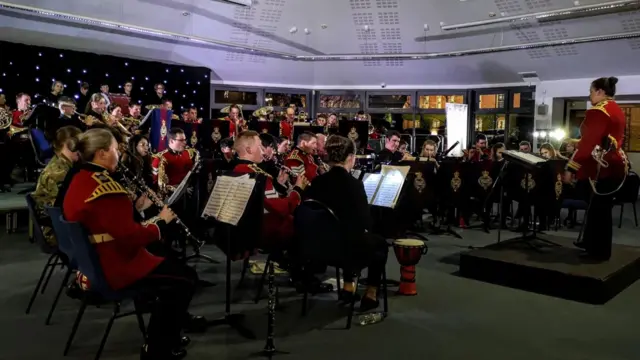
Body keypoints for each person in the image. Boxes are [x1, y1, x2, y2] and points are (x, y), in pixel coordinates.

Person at [60, 128, 197, 359]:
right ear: (102, 153)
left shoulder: (79, 178)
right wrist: (160, 224)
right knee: (184, 279)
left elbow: (113, 228)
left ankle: (167, 333)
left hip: (93, 261)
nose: (118, 154)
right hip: (115, 266)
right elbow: (130, 239)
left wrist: (142, 214)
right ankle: (157, 348)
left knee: (171, 268)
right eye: (115, 149)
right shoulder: (106, 188)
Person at [305, 135, 389, 311]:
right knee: (379, 244)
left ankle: (348, 287)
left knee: (346, 232)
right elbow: (364, 223)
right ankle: (371, 293)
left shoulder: (317, 182)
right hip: (344, 251)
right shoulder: (354, 185)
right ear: (350, 157)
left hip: (316, 248)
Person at [564, 76, 627, 261]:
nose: (590, 95)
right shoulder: (615, 109)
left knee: (599, 211)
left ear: (600, 91)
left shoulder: (597, 112)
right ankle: (591, 243)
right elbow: (602, 140)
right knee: (598, 209)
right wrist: (577, 142)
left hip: (600, 168)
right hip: (614, 164)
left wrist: (570, 167)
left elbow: (589, 145)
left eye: (591, 91)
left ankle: (598, 252)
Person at [32, 126, 82, 246]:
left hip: (61, 224)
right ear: (65, 144)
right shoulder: (58, 173)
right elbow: (63, 209)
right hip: (56, 230)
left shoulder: (66, 165)